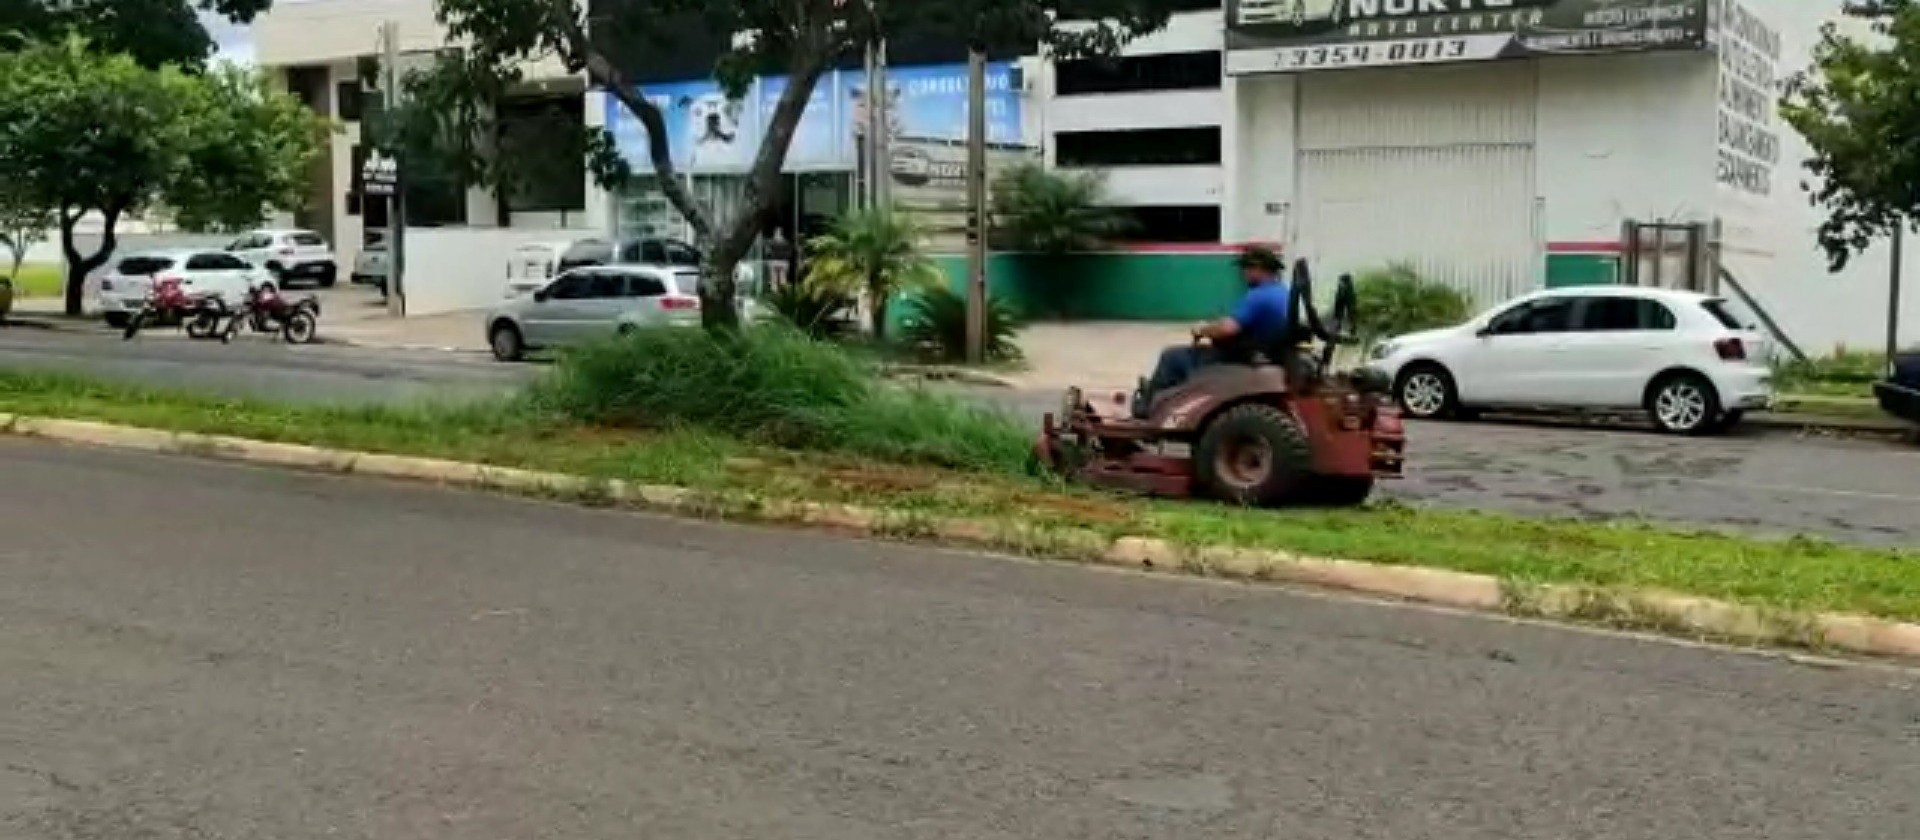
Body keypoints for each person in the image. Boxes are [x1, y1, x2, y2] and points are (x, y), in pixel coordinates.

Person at [1133, 245, 1292, 417]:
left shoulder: (1259, 296)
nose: (1243, 273)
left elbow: (1228, 328)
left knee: (1172, 356)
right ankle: (1161, 397)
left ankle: (1147, 407)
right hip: (1261, 352)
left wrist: (1202, 329)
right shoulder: (1282, 292)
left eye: (1246, 268)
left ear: (1258, 269)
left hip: (1239, 358)